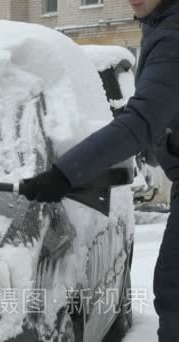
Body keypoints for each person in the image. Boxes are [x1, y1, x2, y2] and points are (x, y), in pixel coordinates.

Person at [20, 0, 179, 340]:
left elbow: (140, 123)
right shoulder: (161, 25)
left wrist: (64, 173)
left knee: (174, 292)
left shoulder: (172, 37)